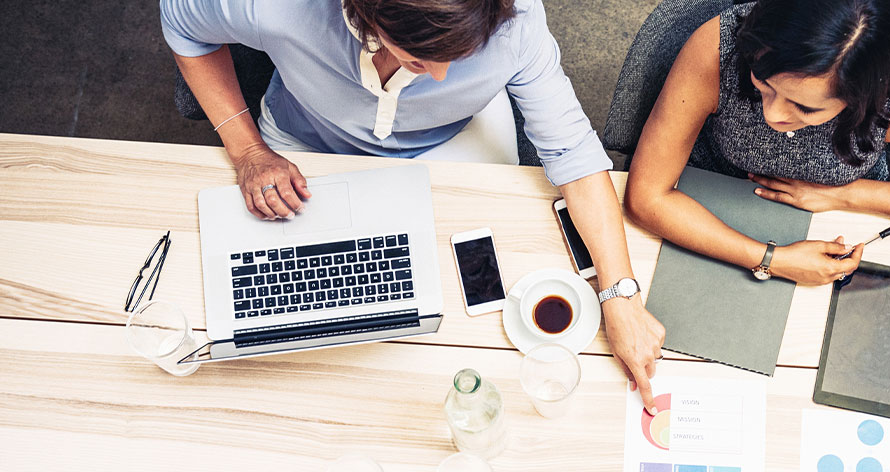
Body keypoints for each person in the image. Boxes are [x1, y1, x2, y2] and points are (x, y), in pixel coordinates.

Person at [159, 0, 665, 410]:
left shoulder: (516, 23)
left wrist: (619, 293)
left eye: (462, 55)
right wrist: (247, 150)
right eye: (420, 59)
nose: (443, 77)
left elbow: (573, 154)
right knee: (287, 309)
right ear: (365, 12)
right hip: (301, 142)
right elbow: (183, 24)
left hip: (452, 140)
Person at [624, 0, 890, 286]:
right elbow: (646, 197)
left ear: (861, 98)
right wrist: (771, 260)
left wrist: (843, 195)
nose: (773, 115)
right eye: (764, 83)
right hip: (712, 191)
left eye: (804, 107)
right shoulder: (717, 49)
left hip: (839, 218)